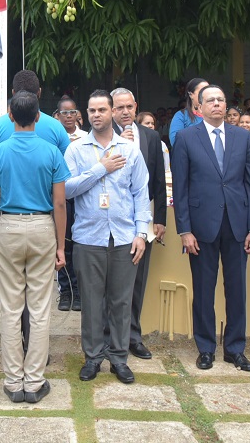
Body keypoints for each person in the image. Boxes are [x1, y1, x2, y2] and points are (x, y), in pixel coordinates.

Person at [0, 91, 67, 404]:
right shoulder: (52, 152)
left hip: (9, 228)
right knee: (40, 308)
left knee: (11, 307)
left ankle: (13, 381)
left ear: (10, 116)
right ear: (39, 117)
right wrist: (61, 246)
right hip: (43, 227)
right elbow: (60, 203)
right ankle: (34, 382)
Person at [172, 83, 250, 372]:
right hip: (201, 227)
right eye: (210, 100)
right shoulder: (186, 138)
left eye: (221, 100)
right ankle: (206, 348)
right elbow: (181, 188)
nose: (217, 104)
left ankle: (235, 349)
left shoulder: (242, 137)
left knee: (237, 290)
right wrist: (184, 230)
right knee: (203, 290)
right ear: (199, 107)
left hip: (237, 225)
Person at [65, 90, 151, 384]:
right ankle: (92, 358)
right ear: (86, 114)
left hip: (124, 237)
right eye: (91, 110)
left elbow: (141, 194)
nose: (96, 115)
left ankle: (119, 358)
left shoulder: (129, 150)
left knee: (121, 302)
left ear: (113, 112)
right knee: (90, 303)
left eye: (102, 109)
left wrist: (141, 233)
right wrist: (99, 169)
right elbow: (66, 189)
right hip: (89, 238)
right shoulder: (76, 150)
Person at [108, 88, 164, 361]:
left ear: (136, 107)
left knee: (137, 281)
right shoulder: (104, 136)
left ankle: (133, 336)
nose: (125, 112)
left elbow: (158, 182)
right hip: (112, 220)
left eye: (129, 107)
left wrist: (160, 219)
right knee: (110, 284)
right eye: (119, 107)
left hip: (143, 220)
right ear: (111, 110)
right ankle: (108, 337)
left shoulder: (151, 137)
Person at [56, 96, 86, 312]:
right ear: (57, 115)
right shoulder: (54, 136)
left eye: (72, 112)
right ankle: (65, 292)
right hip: (61, 198)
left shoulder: (86, 137)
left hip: (82, 197)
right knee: (63, 246)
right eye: (64, 113)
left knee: (79, 245)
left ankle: (79, 291)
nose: (69, 116)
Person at [168, 78, 208, 149]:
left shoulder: (215, 115)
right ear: (191, 94)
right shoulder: (181, 116)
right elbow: (175, 142)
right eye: (202, 91)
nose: (207, 95)